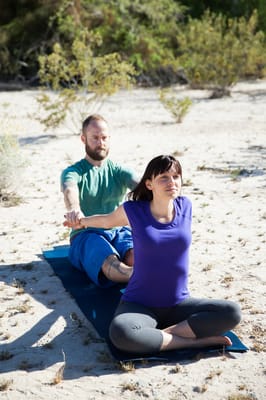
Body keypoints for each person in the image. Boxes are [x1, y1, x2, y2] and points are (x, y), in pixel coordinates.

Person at [64, 154, 242, 354]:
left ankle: (161, 337)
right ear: (149, 184)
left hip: (179, 303)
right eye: (163, 178)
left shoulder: (185, 206)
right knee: (122, 333)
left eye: (175, 176)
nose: (171, 182)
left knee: (232, 312)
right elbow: (106, 221)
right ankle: (192, 343)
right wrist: (81, 222)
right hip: (140, 304)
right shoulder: (135, 210)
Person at [61, 114, 138, 288]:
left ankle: (145, 272)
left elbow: (141, 187)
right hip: (86, 234)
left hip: (119, 232)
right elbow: (69, 189)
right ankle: (143, 276)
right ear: (83, 139)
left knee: (136, 257)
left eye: (104, 138)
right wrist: (74, 209)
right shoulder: (73, 171)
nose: (100, 143)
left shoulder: (120, 171)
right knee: (111, 262)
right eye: (95, 138)